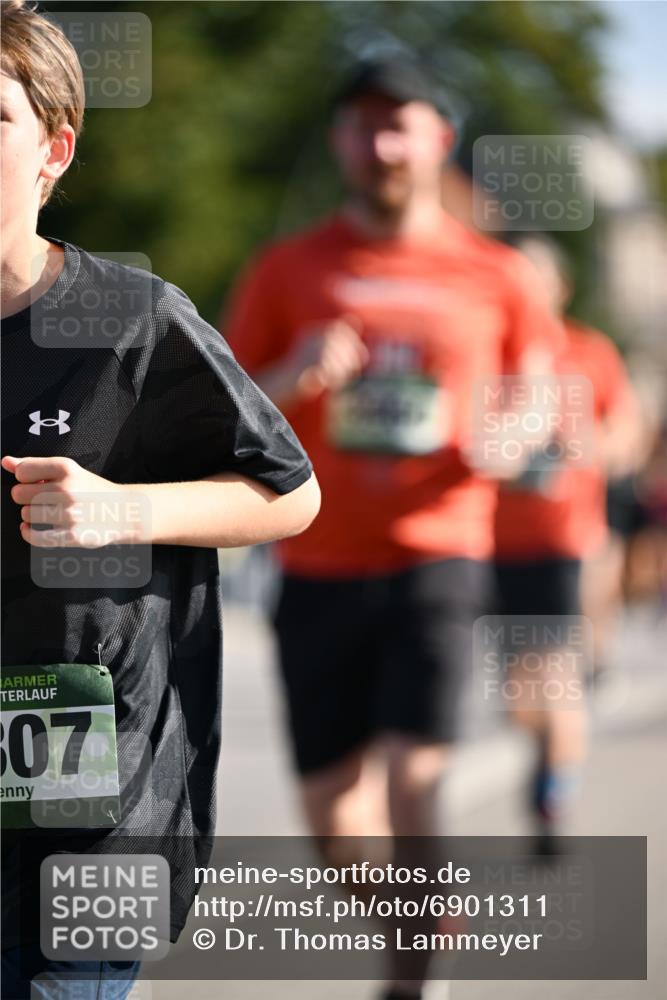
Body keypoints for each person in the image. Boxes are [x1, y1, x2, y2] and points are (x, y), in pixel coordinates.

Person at [223, 56, 563, 1000]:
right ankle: (418, 921)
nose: (380, 144)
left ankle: (414, 980)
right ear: (340, 142)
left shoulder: (496, 272)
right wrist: (294, 371)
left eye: (398, 124)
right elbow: (223, 403)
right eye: (361, 126)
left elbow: (536, 388)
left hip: (440, 552)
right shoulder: (287, 267)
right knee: (336, 834)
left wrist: (513, 431)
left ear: (436, 140)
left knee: (415, 779)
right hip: (319, 563)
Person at [0, 1, 320, 997]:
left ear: (53, 149)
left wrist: (123, 510)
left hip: (93, 821)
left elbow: (288, 494)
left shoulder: (127, 320)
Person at [493, 234, 641, 847]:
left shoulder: (589, 352)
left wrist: (587, 448)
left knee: (556, 675)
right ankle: (547, 759)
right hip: (492, 544)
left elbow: (627, 435)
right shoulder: (491, 351)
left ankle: (556, 795)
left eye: (533, 279)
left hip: (565, 542)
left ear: (559, 288)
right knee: (515, 694)